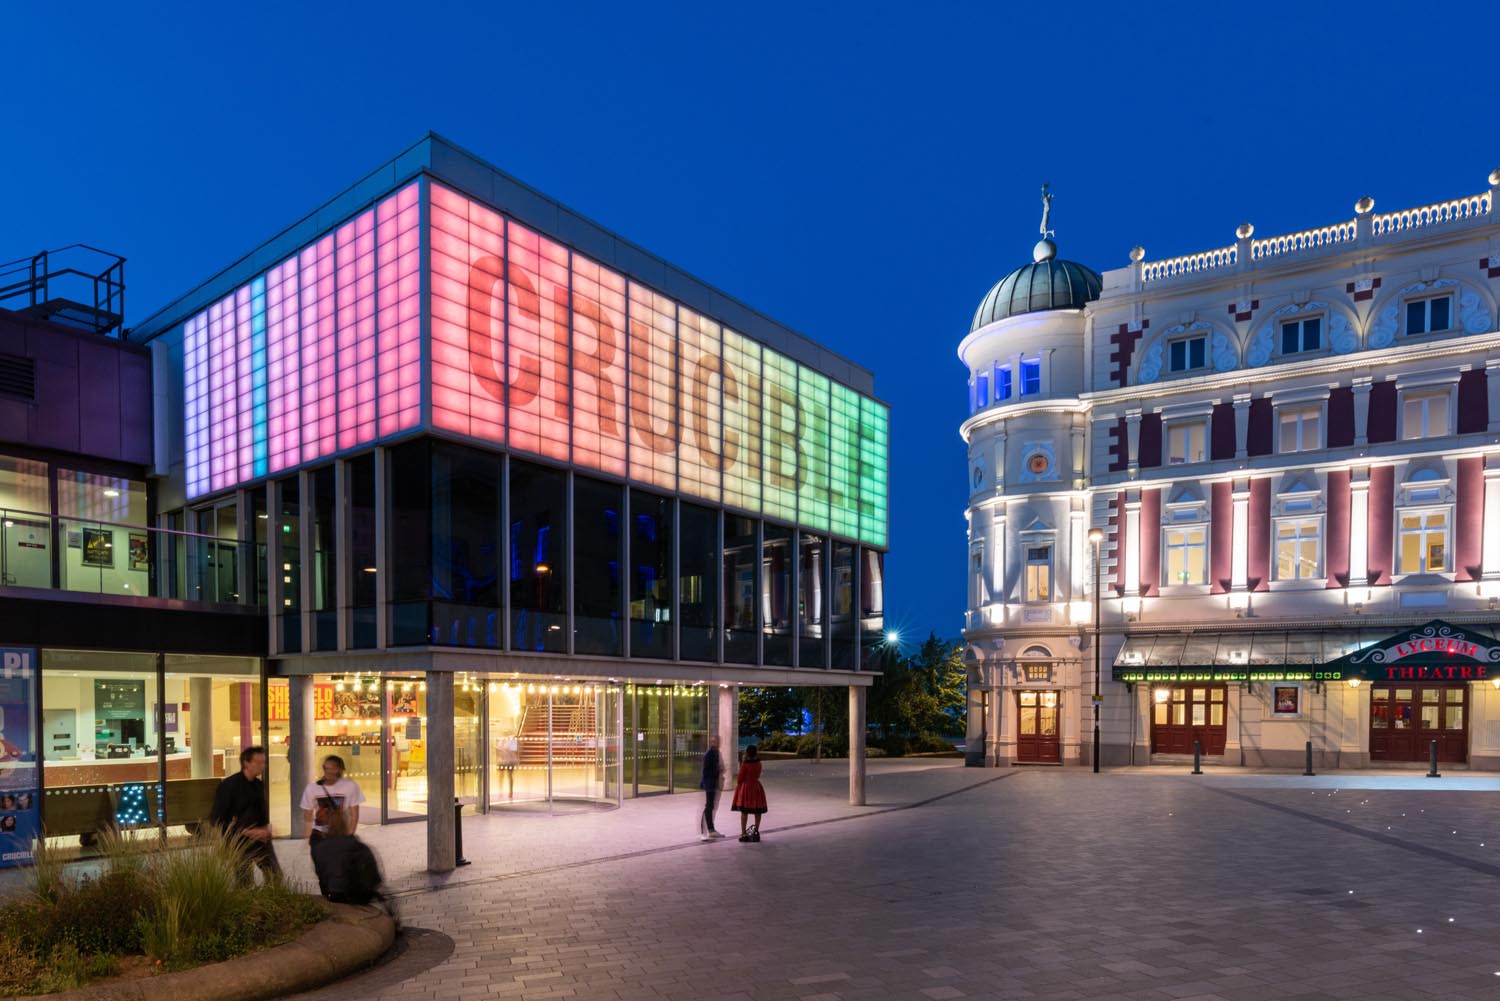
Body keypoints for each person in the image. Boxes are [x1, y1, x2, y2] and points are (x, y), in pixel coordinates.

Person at [210, 745, 282, 883]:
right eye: (259, 762)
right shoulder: (229, 786)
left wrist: (266, 828)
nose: (262, 766)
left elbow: (261, 813)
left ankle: (268, 902)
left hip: (260, 839)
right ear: (246, 763)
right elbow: (217, 819)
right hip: (238, 841)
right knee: (244, 881)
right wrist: (246, 831)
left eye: (264, 762)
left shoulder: (259, 785)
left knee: (275, 876)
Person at [309, 802, 386, 906]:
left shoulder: (318, 849)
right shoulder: (356, 844)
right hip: (361, 895)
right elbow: (374, 877)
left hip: (336, 896)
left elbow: (323, 880)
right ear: (344, 823)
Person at [731, 744, 768, 842]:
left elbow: (739, 778)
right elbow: (758, 774)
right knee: (758, 810)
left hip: (746, 788)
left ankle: (744, 833)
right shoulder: (759, 763)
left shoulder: (745, 764)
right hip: (756, 787)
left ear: (747, 753)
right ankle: (756, 831)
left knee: (744, 811)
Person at [698, 735, 726, 841]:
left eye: (717, 741)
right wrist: (718, 770)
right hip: (710, 784)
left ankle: (711, 830)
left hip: (713, 784)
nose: (716, 743)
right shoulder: (710, 753)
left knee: (711, 806)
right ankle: (704, 832)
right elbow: (706, 770)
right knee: (709, 807)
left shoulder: (716, 752)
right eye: (713, 741)